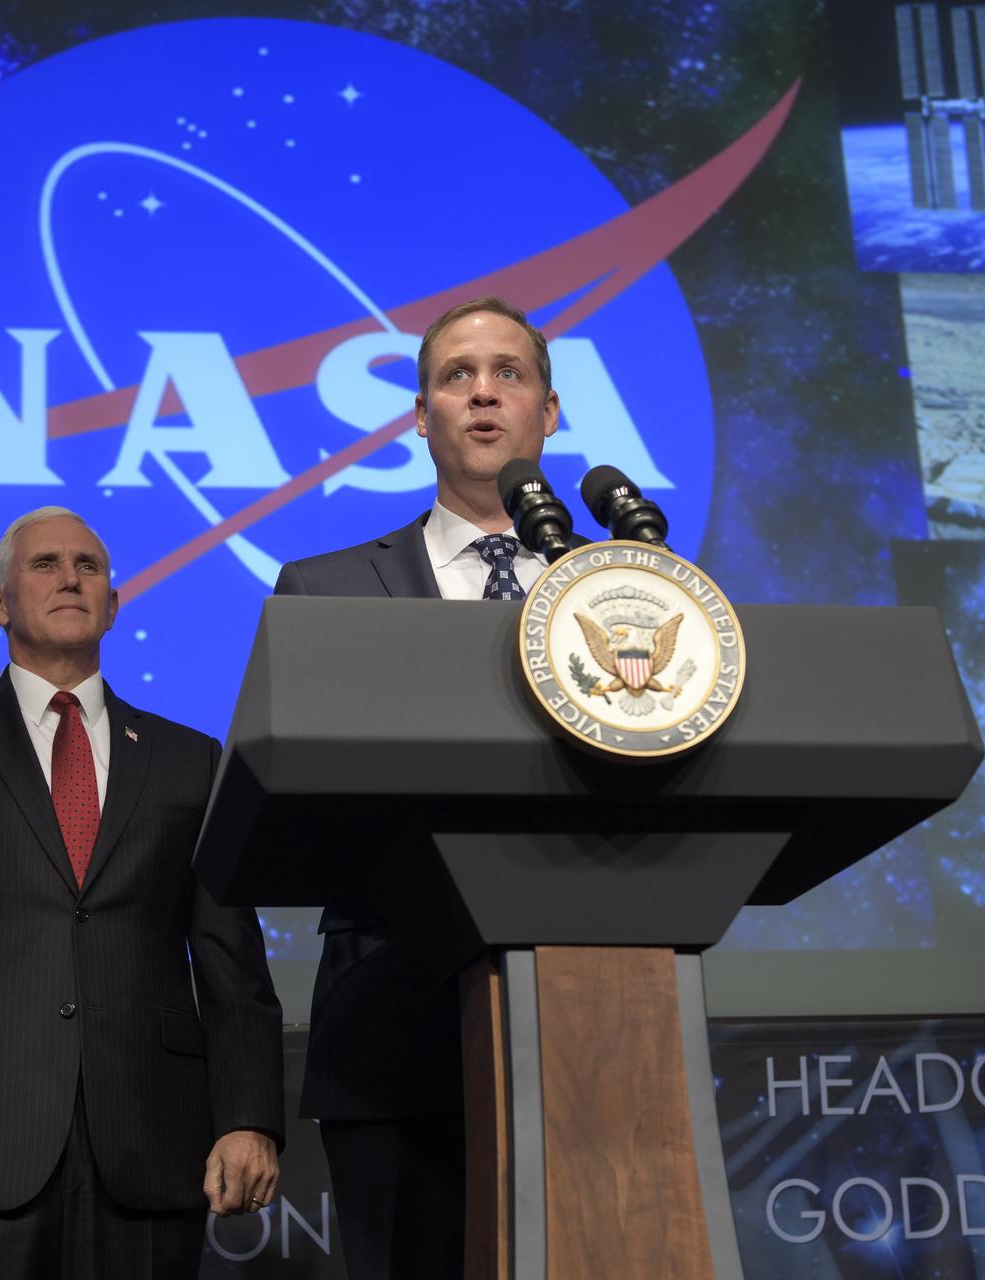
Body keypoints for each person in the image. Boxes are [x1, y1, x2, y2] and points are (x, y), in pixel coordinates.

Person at [0, 507, 284, 1279]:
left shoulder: (189, 758)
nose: (69, 577)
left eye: (88, 566)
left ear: (114, 604)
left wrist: (248, 1118)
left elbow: (232, 963)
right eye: (44, 564)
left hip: (148, 1151)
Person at [275, 296, 591, 1277]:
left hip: (593, 1019)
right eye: (457, 376)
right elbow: (297, 803)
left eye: (509, 373)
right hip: (393, 1028)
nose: (483, 392)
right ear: (420, 416)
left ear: (549, 411)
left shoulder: (624, 589)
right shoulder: (325, 592)